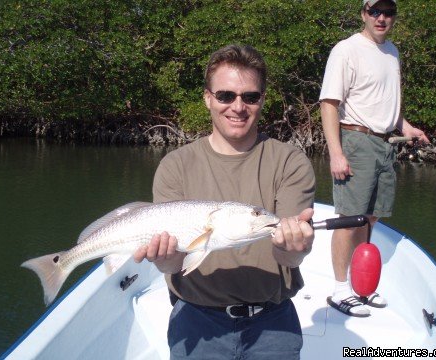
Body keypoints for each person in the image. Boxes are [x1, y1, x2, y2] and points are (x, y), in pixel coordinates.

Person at [133, 44, 316, 359]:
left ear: (262, 100)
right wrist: (162, 259)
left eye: (250, 96)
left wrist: (295, 249)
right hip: (196, 323)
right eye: (225, 95)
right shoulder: (175, 166)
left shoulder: (290, 162)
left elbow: (288, 259)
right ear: (207, 98)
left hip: (274, 324)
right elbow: (174, 264)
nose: (238, 106)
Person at [319, 0, 429, 317]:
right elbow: (329, 103)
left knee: (373, 216)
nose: (381, 18)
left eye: (388, 12)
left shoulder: (391, 52)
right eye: (374, 11)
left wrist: (407, 127)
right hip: (356, 140)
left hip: (385, 144)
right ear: (363, 14)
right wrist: (336, 152)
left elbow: (387, 105)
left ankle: (361, 284)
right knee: (349, 217)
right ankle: (341, 290)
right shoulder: (347, 49)